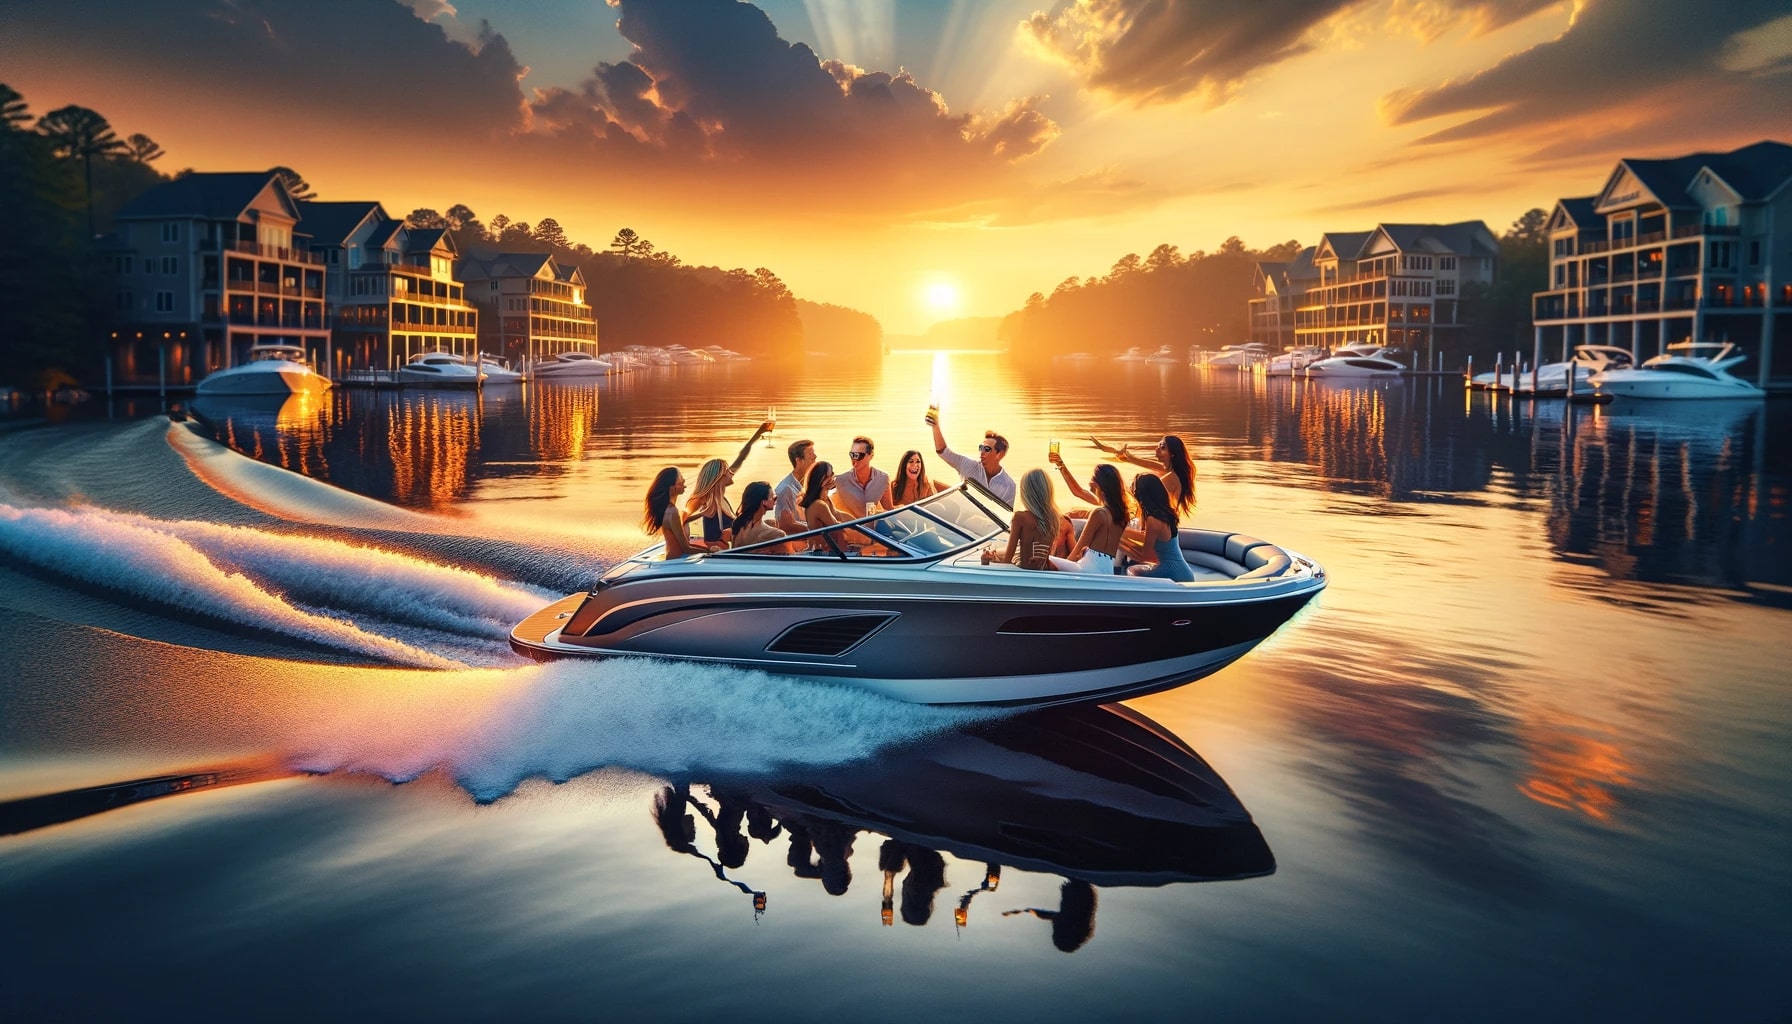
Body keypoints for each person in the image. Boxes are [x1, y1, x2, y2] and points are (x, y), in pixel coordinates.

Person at [981, 468, 1069, 570]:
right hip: (1040, 573)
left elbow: (1007, 562)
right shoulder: (1052, 520)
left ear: (1025, 492)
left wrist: (987, 560)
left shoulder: (1020, 518)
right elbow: (1044, 560)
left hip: (1022, 573)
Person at [1048, 463, 1127, 574]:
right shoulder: (1123, 515)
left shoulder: (1099, 513)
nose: (1090, 482)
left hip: (1088, 569)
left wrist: (1062, 571)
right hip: (1108, 571)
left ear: (1100, 485)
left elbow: (1077, 551)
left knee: (1047, 559)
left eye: (1092, 478)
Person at [928, 409, 1016, 507]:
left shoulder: (1009, 486)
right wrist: (935, 426)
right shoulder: (968, 465)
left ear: (1000, 454)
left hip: (986, 521)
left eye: (986, 449)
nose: (981, 452)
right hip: (960, 517)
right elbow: (943, 452)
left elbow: (1004, 518)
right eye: (981, 448)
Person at [1095, 433, 1195, 517]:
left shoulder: (1171, 478)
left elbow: (1141, 495)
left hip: (1159, 524)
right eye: (1158, 446)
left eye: (1163, 448)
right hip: (1152, 520)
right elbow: (1142, 462)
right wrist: (1117, 451)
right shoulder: (1166, 470)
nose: (1157, 449)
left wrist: (1114, 486)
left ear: (1172, 454)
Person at [1121, 473, 1195, 581]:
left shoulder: (1153, 520)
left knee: (1132, 571)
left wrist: (1119, 543)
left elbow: (1143, 556)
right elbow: (1147, 537)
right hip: (1184, 572)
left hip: (1173, 574)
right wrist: (1122, 532)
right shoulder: (1166, 512)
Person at [643, 466, 706, 558]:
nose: (684, 482)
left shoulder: (667, 509)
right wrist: (710, 553)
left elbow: (681, 522)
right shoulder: (672, 512)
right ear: (672, 488)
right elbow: (686, 549)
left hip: (674, 558)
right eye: (680, 479)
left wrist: (702, 514)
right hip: (676, 561)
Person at [833, 435, 891, 518]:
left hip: (873, 529)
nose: (855, 459)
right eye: (852, 455)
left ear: (871, 455)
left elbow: (889, 509)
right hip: (851, 528)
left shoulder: (883, 478)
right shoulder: (840, 480)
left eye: (859, 455)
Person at [731, 480, 789, 552]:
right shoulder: (777, 534)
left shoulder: (739, 525)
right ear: (764, 502)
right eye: (774, 497)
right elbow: (790, 557)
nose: (775, 500)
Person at [774, 438, 817, 534]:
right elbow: (786, 526)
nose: (815, 457)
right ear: (798, 460)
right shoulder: (786, 489)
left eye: (814, 453)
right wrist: (818, 528)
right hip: (800, 543)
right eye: (810, 454)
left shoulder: (810, 483)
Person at [800, 460, 843, 546]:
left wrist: (861, 522)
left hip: (832, 547)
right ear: (821, 479)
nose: (833, 477)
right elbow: (837, 527)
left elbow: (839, 515)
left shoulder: (826, 500)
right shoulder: (818, 505)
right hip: (823, 551)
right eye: (830, 475)